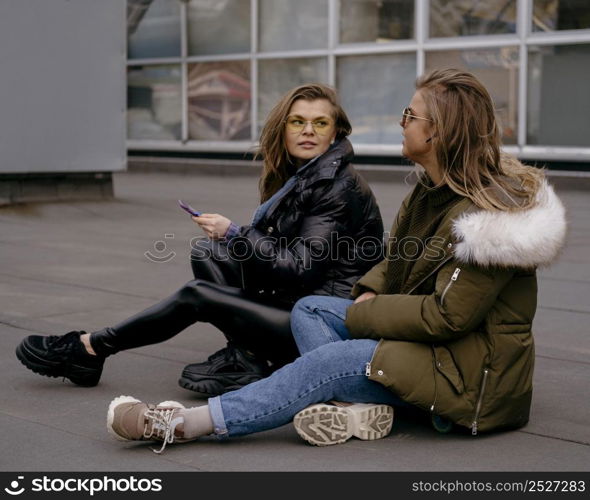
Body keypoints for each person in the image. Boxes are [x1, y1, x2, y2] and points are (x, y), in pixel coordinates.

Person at [104, 68, 566, 452]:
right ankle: (355, 401)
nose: (401, 121)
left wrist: (366, 314)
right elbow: (397, 258)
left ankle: (182, 424)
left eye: (410, 114)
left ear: (439, 131)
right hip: (426, 348)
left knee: (333, 361)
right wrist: (371, 288)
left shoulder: (491, 223)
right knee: (312, 308)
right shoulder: (430, 191)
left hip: (468, 382)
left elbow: (448, 317)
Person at [15, 83, 384, 396]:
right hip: (295, 298)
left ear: (335, 133)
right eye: (298, 122)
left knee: (198, 295)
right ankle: (245, 357)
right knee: (209, 253)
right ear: (283, 129)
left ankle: (90, 349)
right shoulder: (303, 176)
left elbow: (298, 269)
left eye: (320, 123)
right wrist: (232, 239)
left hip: (317, 326)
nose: (308, 131)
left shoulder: (338, 187)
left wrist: (237, 233)